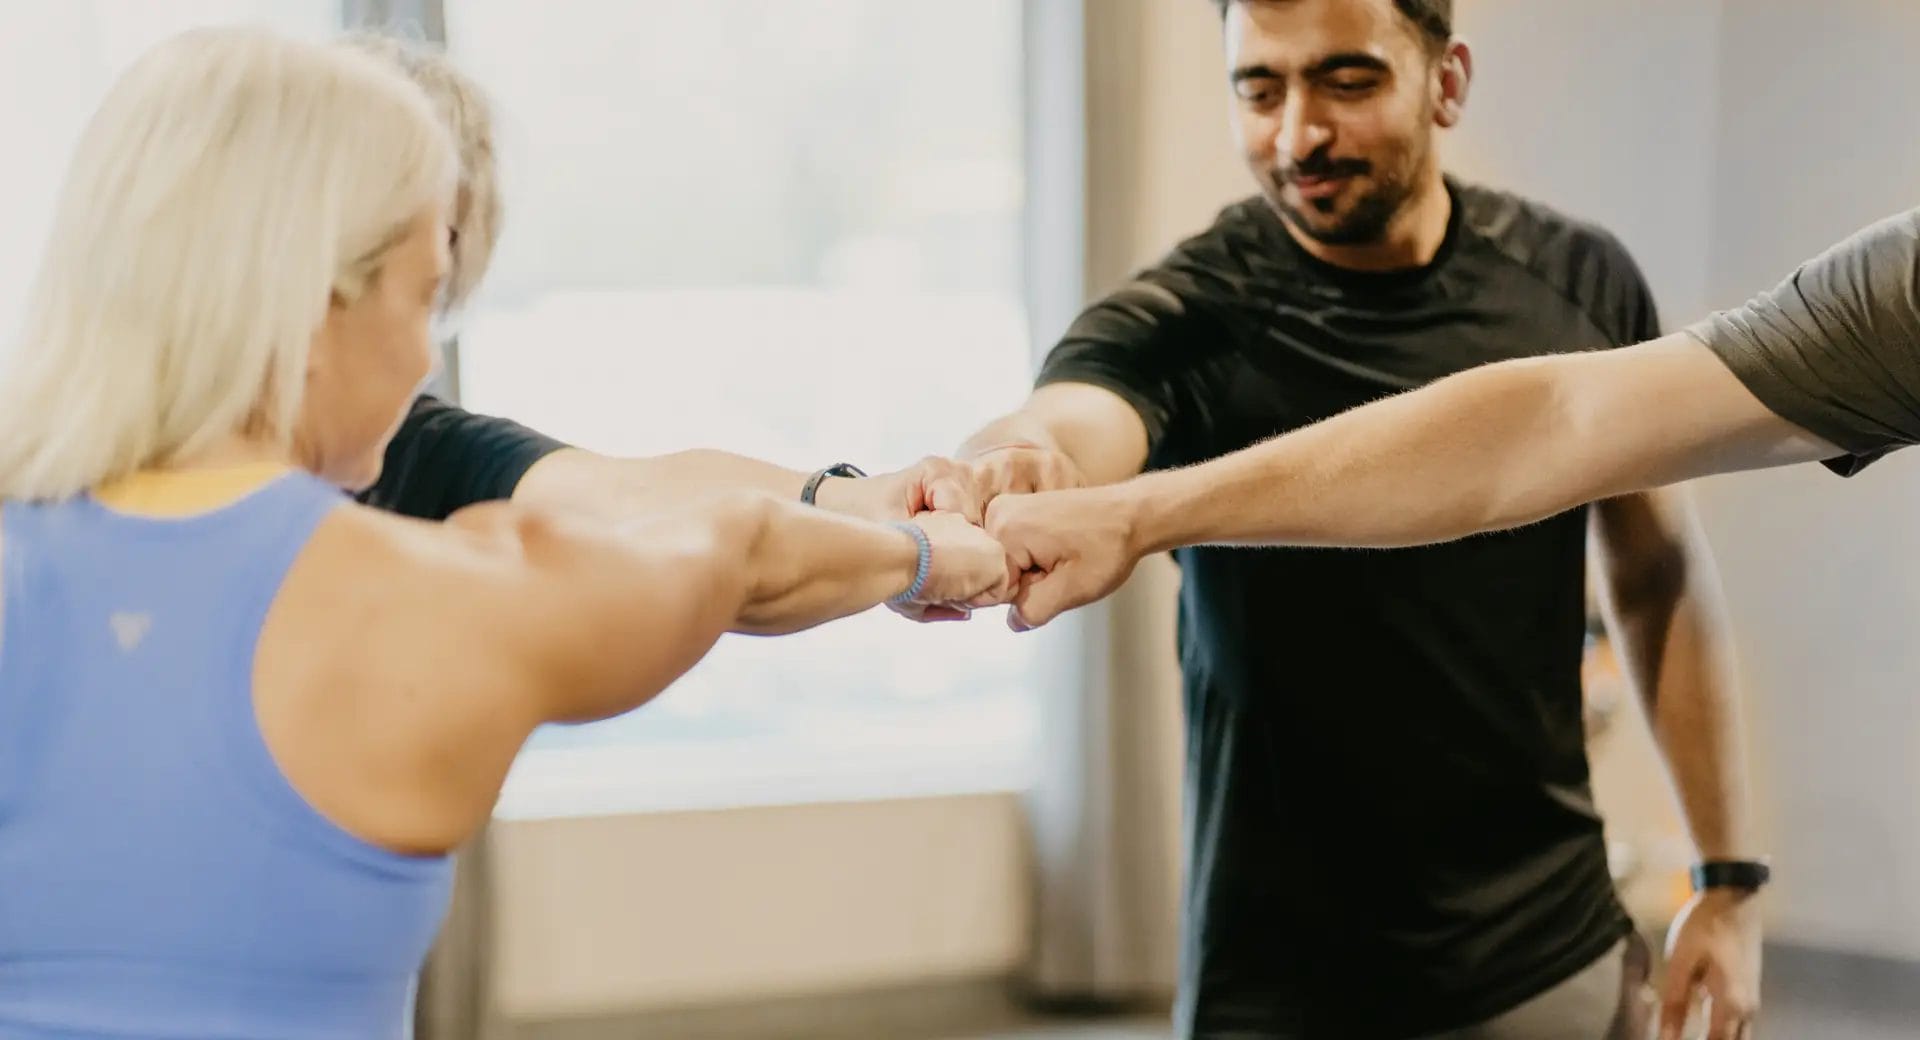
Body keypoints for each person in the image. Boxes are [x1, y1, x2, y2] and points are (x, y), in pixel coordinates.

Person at [0, 28, 1011, 1039]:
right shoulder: (439, 599)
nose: (423, 355)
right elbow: (736, 550)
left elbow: (659, 500)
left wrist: (862, 501)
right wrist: (931, 554)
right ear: (315, 305)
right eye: (428, 294)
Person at [940, 1, 1764, 1037]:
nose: (1297, 136)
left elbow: (1656, 573)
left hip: (1547, 956)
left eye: (1347, 81)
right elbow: (1069, 420)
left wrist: (1726, 879)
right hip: (1275, 984)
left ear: (1446, 82)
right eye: (1260, 87)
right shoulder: (1191, 316)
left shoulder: (1579, 286)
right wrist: (1016, 463)